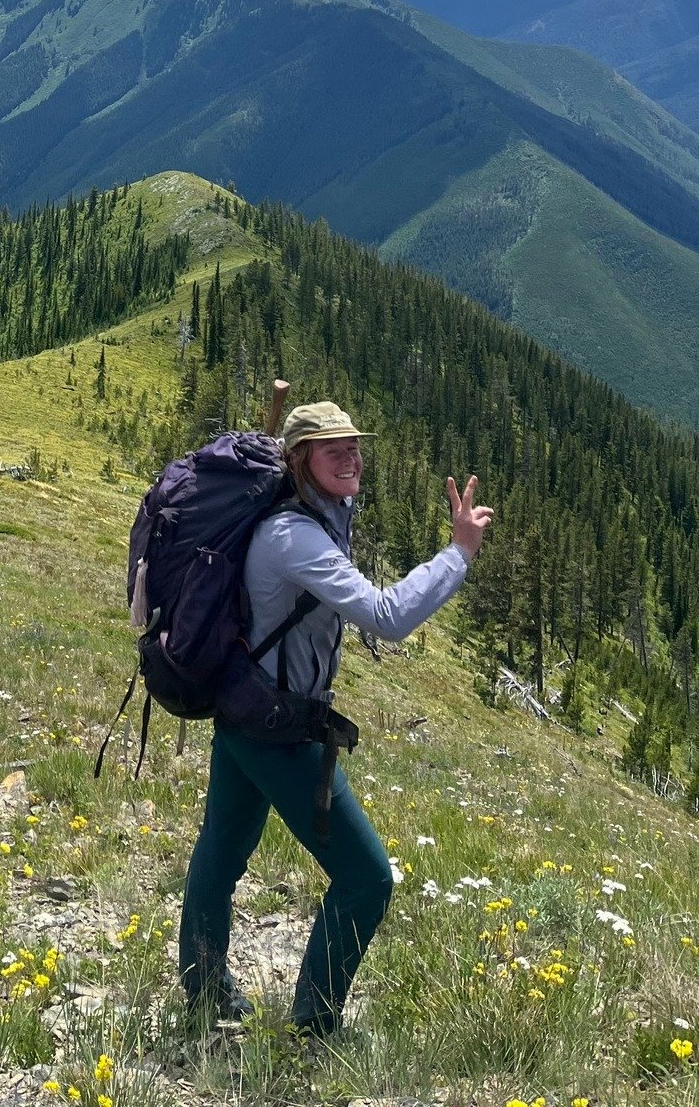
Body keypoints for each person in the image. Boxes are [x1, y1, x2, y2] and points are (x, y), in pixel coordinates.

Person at [177, 400, 493, 1039]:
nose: (350, 457)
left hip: (244, 710)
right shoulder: (292, 537)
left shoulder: (311, 516)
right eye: (333, 449)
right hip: (275, 727)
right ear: (300, 461)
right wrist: (457, 553)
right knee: (367, 877)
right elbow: (386, 616)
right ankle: (314, 1025)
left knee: (221, 855)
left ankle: (203, 993)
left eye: (353, 445)